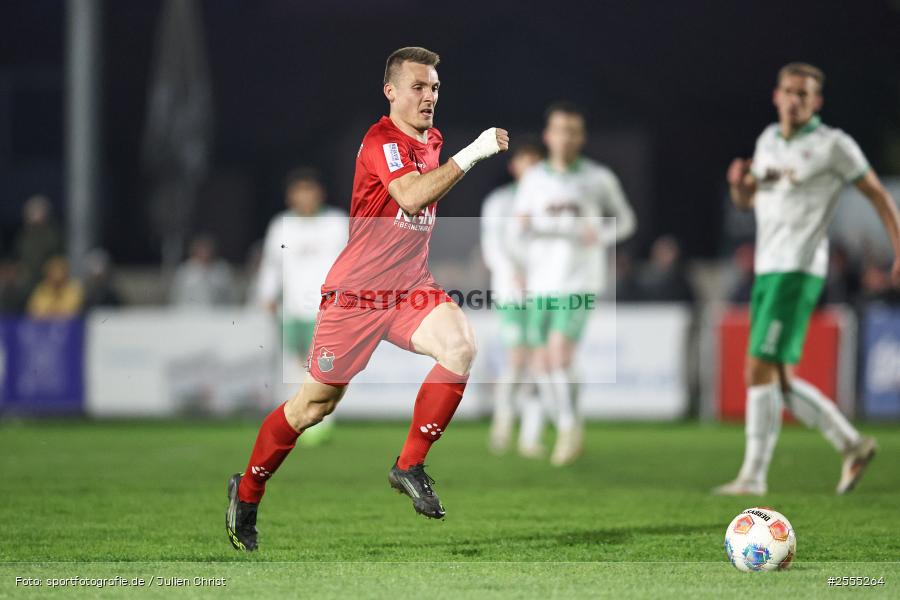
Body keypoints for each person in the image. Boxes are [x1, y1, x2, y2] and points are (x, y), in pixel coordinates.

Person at [226, 46, 508, 551]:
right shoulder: (382, 140)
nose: (429, 97)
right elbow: (411, 197)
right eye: (419, 87)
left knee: (461, 346)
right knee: (314, 406)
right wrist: (475, 152)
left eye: (435, 88)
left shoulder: (433, 138)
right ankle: (247, 491)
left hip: (408, 286)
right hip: (357, 294)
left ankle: (409, 464)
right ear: (391, 91)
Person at [715, 62, 900, 496]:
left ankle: (753, 477)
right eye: (789, 91)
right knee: (775, 375)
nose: (795, 100)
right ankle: (851, 444)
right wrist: (738, 185)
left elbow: (878, 195)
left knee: (758, 368)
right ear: (776, 95)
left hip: (798, 269)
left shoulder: (834, 145)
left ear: (816, 102)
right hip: (766, 267)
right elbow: (747, 202)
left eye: (805, 94)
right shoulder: (767, 141)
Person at [514, 102, 636, 466]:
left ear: (580, 137)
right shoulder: (534, 179)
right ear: (548, 135)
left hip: (581, 280)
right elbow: (519, 227)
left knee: (557, 353)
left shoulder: (598, 178)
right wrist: (520, 257)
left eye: (572, 131)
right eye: (559, 130)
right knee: (543, 362)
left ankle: (567, 428)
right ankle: (570, 422)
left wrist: (598, 232)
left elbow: (627, 221)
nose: (565, 138)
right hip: (541, 282)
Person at [256, 168, 348, 445]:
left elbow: (352, 260)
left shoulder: (336, 222)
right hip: (293, 307)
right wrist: (267, 294)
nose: (305, 197)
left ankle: (322, 422)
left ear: (319, 193)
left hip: (327, 308)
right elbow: (272, 265)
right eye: (299, 192)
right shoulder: (281, 225)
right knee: (296, 366)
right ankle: (296, 420)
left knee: (323, 367)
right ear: (291, 196)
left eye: (310, 191)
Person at [480, 141, 543, 454]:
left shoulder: (549, 202)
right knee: (517, 360)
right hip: (511, 293)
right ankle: (503, 425)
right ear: (514, 167)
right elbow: (492, 246)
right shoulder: (499, 202)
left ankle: (531, 436)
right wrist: (514, 272)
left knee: (539, 363)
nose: (529, 169)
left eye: (535, 163)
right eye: (524, 162)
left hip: (545, 292)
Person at [170, 234, 235, 306]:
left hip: (217, 312)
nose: (205, 253)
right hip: (190, 311)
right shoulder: (186, 270)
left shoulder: (221, 268)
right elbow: (177, 294)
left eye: (207, 250)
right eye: (202, 250)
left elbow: (228, 293)